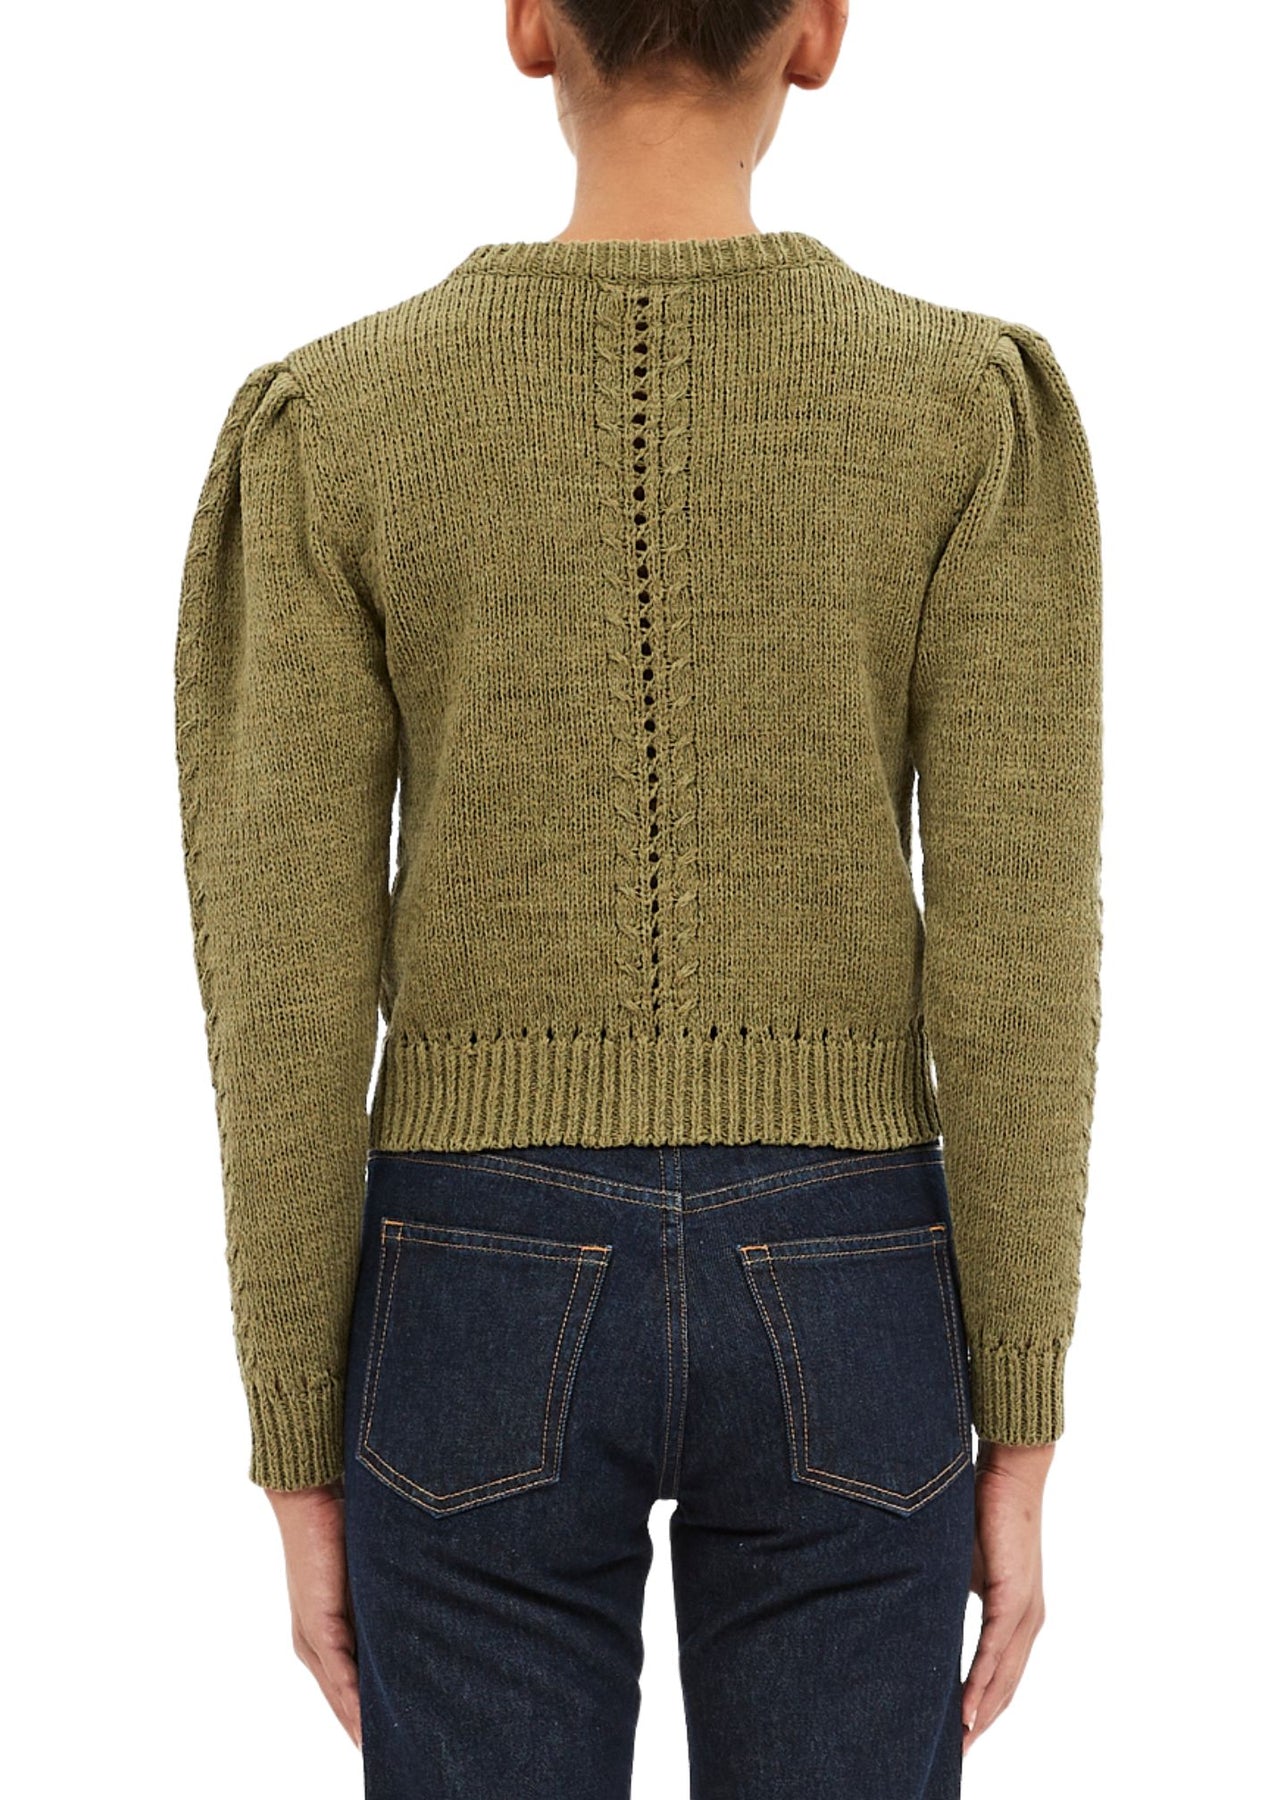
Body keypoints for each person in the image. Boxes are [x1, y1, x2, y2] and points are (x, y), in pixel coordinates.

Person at [172, 0, 1103, 1793]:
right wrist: (1019, 1418)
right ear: (815, 34)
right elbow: (1019, 956)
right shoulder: (960, 407)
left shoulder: (336, 420)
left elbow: (283, 978)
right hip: (848, 1264)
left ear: (530, 28)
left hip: (472, 1271)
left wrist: (294, 1440)